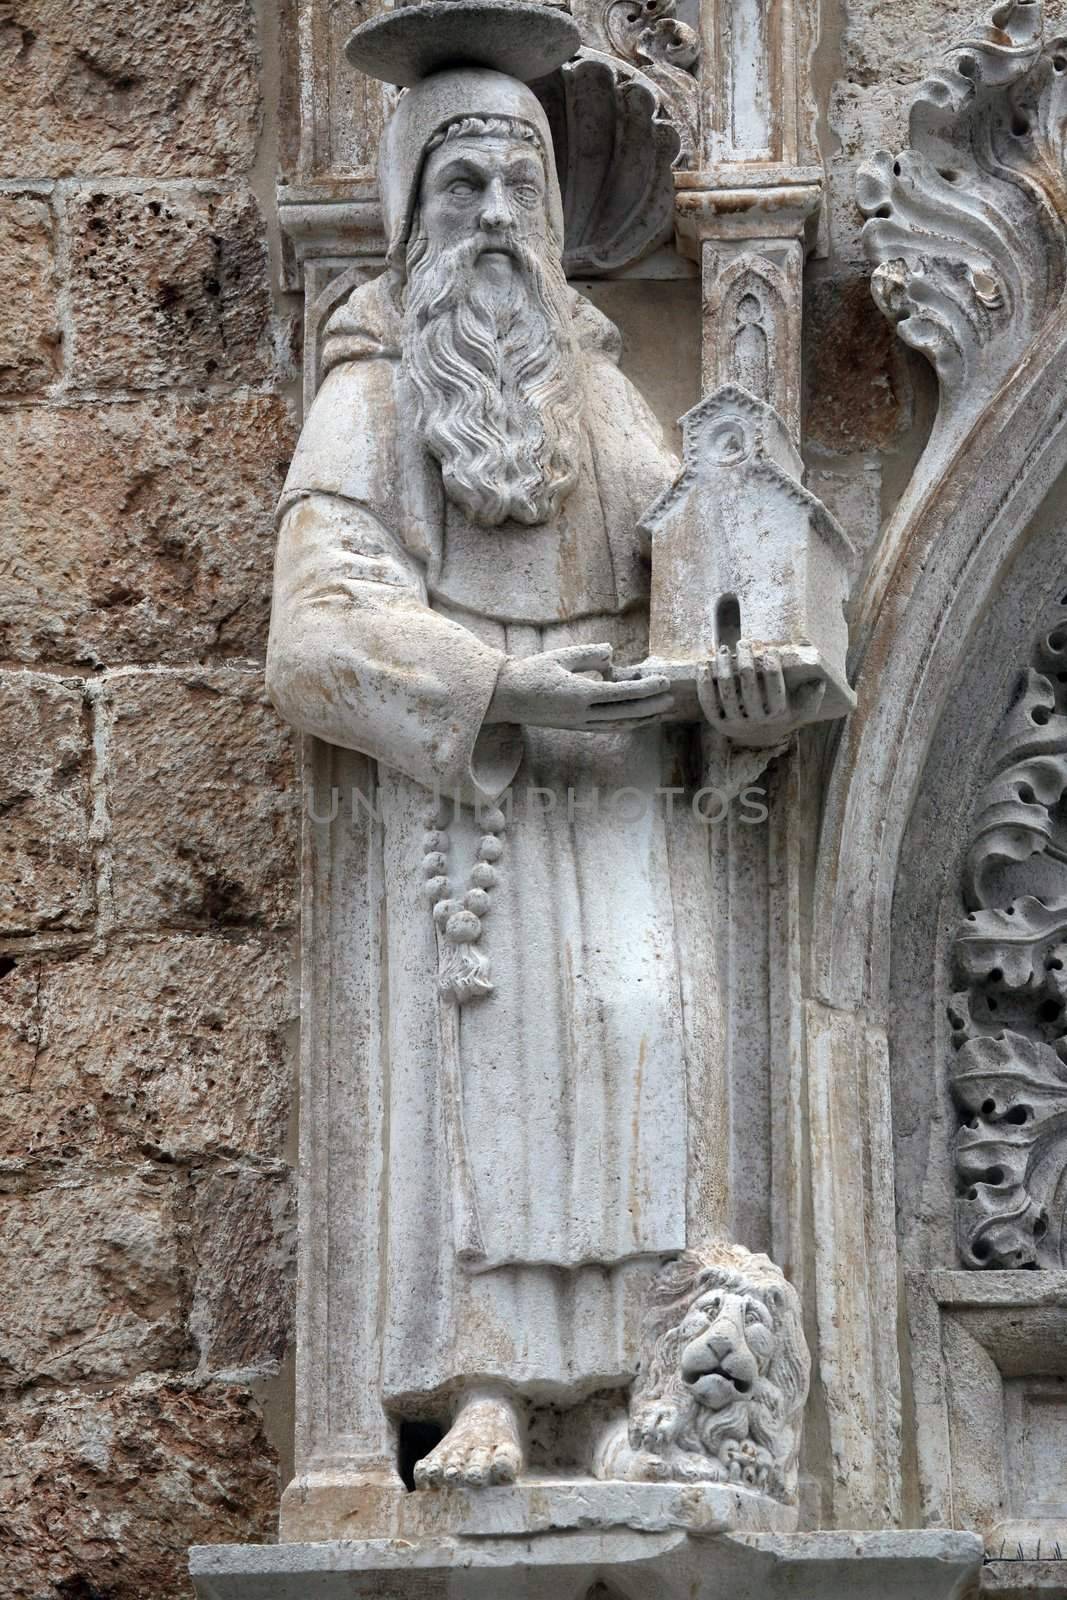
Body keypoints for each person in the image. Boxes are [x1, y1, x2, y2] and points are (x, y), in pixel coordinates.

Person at [267, 66, 814, 1486]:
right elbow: (315, 632)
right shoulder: (374, 391)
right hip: (470, 791)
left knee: (639, 1042)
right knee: (476, 1075)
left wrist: (744, 688)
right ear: (410, 214)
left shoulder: (601, 392)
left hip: (618, 787)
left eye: (522, 185)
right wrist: (498, 683)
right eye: (464, 184)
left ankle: (641, 1386)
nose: (498, 214)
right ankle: (487, 1386)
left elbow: (708, 565)